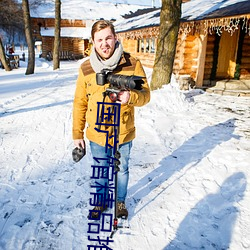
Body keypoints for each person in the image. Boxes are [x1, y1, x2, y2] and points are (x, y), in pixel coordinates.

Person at [72, 20, 150, 219]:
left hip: (123, 131)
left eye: (108, 38)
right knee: (100, 170)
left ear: (115, 38)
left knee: (121, 169)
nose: (104, 43)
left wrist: (130, 97)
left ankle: (120, 201)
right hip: (97, 133)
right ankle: (100, 202)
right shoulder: (86, 68)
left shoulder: (132, 63)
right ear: (93, 42)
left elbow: (146, 95)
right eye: (99, 40)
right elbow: (80, 102)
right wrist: (77, 134)